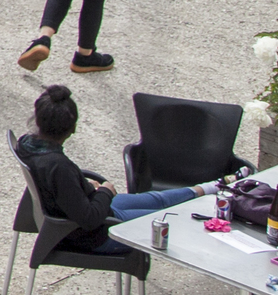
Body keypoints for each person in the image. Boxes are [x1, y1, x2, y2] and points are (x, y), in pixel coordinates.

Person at [16, 84, 203, 247]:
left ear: (38, 120)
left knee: (158, 200)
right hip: (94, 233)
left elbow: (64, 191)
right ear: (72, 128)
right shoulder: (58, 167)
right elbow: (89, 219)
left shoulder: (27, 145)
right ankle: (212, 206)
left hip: (85, 212)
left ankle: (206, 189)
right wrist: (105, 191)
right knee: (168, 219)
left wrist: (85, 187)